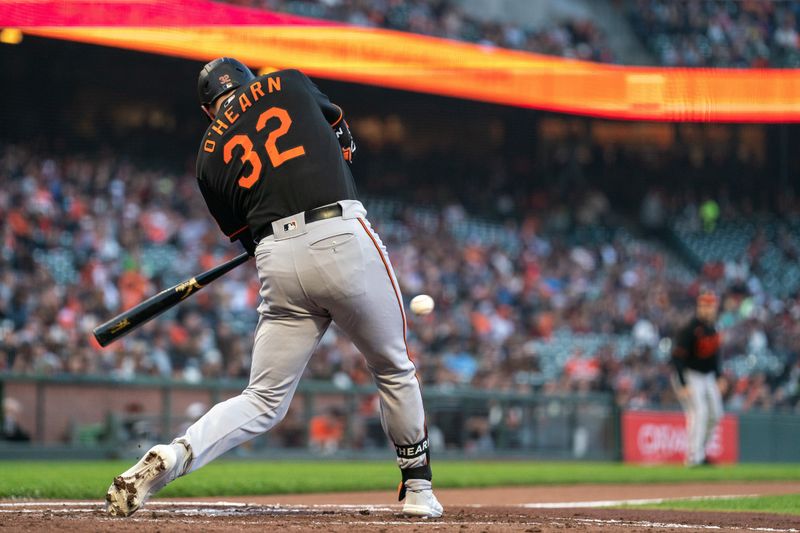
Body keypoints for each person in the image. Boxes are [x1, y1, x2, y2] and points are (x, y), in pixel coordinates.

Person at [105, 58, 442, 518]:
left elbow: (246, 238)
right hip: (339, 231)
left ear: (209, 109)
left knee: (262, 399)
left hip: (277, 259)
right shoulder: (287, 82)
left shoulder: (206, 155)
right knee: (392, 367)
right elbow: (342, 137)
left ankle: (176, 454)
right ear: (248, 80)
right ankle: (419, 489)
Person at [671, 291, 726, 466]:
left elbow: (714, 357)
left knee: (716, 414)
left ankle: (700, 452)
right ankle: (694, 457)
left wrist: (719, 376)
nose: (708, 309)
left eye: (711, 306)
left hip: (707, 376)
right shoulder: (689, 329)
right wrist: (683, 383)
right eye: (705, 305)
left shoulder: (714, 328)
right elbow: (677, 358)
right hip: (690, 374)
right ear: (699, 307)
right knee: (699, 412)